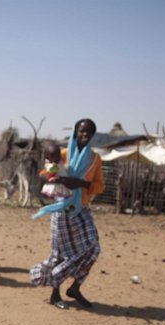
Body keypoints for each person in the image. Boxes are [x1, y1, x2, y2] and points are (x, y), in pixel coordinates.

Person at [29, 118, 105, 309]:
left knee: (93, 247)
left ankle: (75, 287)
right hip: (61, 208)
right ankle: (55, 294)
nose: (84, 135)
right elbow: (44, 175)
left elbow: (99, 186)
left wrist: (80, 183)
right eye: (81, 131)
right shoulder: (63, 154)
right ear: (74, 132)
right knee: (60, 254)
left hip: (81, 208)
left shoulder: (95, 159)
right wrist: (58, 178)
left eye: (88, 133)